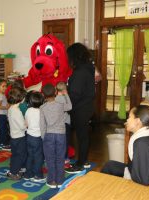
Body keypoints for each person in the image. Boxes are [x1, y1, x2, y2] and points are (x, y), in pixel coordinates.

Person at [65, 43, 95, 174]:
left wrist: (64, 104)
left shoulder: (79, 72)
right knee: (83, 136)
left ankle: (80, 164)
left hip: (80, 108)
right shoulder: (88, 68)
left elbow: (75, 94)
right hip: (87, 106)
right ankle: (84, 160)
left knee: (81, 136)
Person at [40, 84, 72, 188]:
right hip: (61, 135)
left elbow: (42, 124)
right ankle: (60, 180)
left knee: (50, 159)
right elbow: (70, 106)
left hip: (48, 135)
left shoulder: (42, 107)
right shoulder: (60, 104)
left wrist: (43, 137)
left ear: (43, 95)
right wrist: (65, 93)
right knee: (60, 158)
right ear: (55, 93)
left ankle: (51, 181)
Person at [6, 87, 27, 180]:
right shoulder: (17, 111)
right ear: (20, 98)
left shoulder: (10, 109)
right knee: (20, 155)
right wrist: (27, 123)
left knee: (15, 154)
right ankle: (13, 173)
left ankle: (13, 170)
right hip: (19, 137)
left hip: (13, 136)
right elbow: (22, 126)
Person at [24, 91, 45, 182]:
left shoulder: (28, 110)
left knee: (30, 156)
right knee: (38, 157)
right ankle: (38, 175)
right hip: (37, 137)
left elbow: (26, 124)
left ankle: (28, 174)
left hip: (29, 136)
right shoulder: (41, 112)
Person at [55, 82, 72, 166]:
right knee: (65, 141)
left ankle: (58, 157)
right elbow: (70, 107)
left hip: (58, 124)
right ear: (64, 90)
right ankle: (64, 158)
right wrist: (67, 95)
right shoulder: (63, 98)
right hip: (65, 123)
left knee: (59, 141)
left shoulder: (55, 98)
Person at [0, 79, 10, 150]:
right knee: (3, 130)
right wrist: (6, 107)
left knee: (2, 130)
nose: (5, 88)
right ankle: (3, 144)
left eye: (5, 86)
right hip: (1, 115)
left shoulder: (2, 94)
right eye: (3, 86)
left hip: (2, 115)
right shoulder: (0, 95)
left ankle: (1, 143)